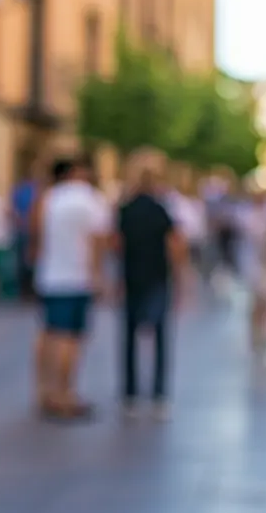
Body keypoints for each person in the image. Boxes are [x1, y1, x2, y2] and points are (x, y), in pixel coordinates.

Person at [32, 157, 110, 421]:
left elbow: (37, 234)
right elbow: (98, 242)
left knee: (48, 333)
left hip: (50, 276)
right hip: (77, 278)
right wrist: (97, 276)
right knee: (71, 339)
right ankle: (66, 395)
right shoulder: (92, 201)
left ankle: (45, 391)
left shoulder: (49, 198)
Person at [117, 157, 186, 419]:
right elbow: (174, 245)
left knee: (129, 338)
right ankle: (158, 395)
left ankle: (130, 395)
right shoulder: (161, 209)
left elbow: (118, 244)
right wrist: (181, 278)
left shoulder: (125, 209)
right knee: (159, 337)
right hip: (157, 278)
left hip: (132, 277)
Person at [236, 186, 266, 349]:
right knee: (256, 298)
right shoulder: (247, 216)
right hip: (252, 261)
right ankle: (255, 330)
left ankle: (265, 329)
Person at [12, 165, 42, 301]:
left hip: (23, 229)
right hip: (30, 230)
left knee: (23, 261)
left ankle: (24, 290)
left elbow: (14, 211)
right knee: (31, 262)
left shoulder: (19, 190)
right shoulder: (38, 191)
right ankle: (30, 289)